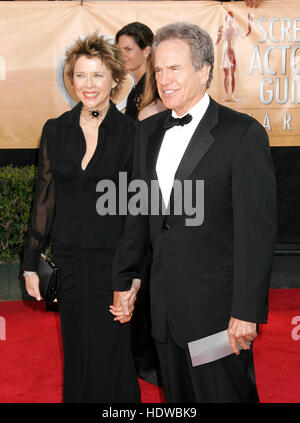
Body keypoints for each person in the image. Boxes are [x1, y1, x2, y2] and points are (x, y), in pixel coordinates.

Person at [110, 22, 277, 402]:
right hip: (165, 314)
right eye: (158, 70)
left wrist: (246, 311)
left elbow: (256, 233)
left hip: (218, 318)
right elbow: (140, 213)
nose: (164, 79)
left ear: (204, 71)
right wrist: (128, 278)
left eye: (175, 68)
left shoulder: (242, 134)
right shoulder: (147, 132)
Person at [23, 33, 140, 403]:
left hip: (113, 261)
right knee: (77, 349)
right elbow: (44, 197)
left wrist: (133, 276)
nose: (88, 85)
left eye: (98, 76)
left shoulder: (132, 133)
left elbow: (138, 210)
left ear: (115, 80)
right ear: (70, 80)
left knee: (112, 350)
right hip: (70, 261)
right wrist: (30, 262)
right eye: (80, 76)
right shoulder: (55, 130)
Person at [116, 22, 153, 119]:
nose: (122, 55)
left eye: (128, 49)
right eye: (119, 50)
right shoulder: (138, 87)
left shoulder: (154, 87)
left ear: (146, 51)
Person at [215, 11, 254, 102]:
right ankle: (226, 95)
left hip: (232, 52)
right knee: (226, 75)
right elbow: (216, 43)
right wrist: (218, 35)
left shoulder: (236, 29)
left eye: (232, 17)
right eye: (229, 17)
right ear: (226, 18)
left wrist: (250, 22)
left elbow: (247, 33)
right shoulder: (222, 29)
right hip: (225, 53)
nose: (230, 19)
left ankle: (232, 95)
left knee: (233, 74)